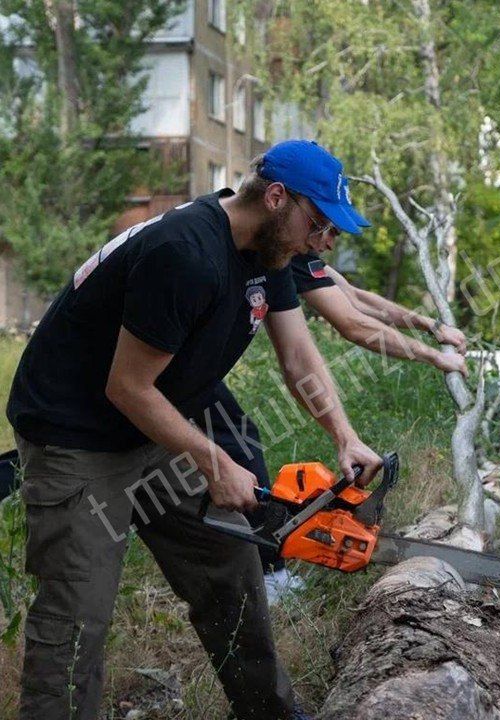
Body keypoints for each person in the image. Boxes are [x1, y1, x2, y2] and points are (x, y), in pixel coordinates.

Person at [6, 139, 381, 720]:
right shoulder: (186, 254)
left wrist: (344, 436)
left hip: (152, 424)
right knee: (77, 616)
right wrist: (213, 460)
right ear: (276, 198)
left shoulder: (267, 252)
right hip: (76, 436)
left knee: (229, 562)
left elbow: (298, 357)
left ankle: (268, 713)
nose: (325, 241)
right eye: (320, 223)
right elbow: (126, 387)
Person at [200, 235, 469, 601]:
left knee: (234, 441)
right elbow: (352, 323)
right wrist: (434, 356)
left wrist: (431, 326)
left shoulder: (299, 250)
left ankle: (256, 563)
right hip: (171, 363)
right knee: (238, 442)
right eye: (325, 228)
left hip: (195, 368)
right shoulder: (279, 247)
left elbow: (355, 298)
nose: (329, 240)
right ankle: (270, 574)